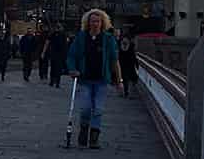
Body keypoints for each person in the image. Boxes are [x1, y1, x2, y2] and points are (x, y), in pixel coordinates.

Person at [66, 8, 122, 148]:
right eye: (92, 21)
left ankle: (94, 138)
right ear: (88, 22)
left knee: (98, 109)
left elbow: (114, 60)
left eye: (97, 21)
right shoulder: (81, 37)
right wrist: (72, 69)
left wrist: (119, 80)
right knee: (85, 108)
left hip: (101, 80)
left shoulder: (108, 39)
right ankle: (84, 130)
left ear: (102, 23)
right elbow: (71, 55)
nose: (95, 24)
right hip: (84, 79)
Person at [46, 23, 70, 89]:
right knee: (56, 68)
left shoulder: (61, 34)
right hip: (56, 54)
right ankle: (54, 82)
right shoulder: (55, 34)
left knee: (56, 69)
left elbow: (66, 44)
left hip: (58, 54)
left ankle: (54, 82)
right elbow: (48, 42)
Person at [119, 32, 139, 97]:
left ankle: (126, 92)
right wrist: (136, 64)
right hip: (129, 64)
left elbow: (118, 56)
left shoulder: (120, 45)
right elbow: (133, 56)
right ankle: (128, 92)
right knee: (130, 79)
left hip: (124, 64)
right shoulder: (131, 45)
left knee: (125, 79)